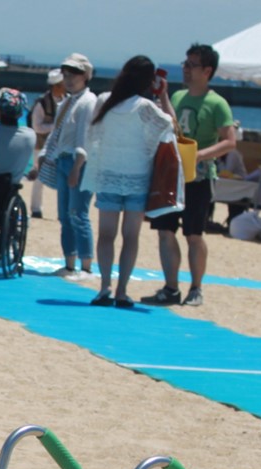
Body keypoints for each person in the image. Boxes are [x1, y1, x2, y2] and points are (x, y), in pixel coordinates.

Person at [142, 43, 235, 308]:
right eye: (185, 64)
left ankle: (196, 288)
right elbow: (173, 124)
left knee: (194, 234)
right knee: (164, 231)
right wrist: (163, 96)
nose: (185, 69)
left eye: (191, 65)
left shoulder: (217, 103)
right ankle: (171, 287)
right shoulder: (180, 97)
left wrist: (200, 155)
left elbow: (230, 142)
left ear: (207, 71)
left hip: (200, 177)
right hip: (172, 175)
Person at [84, 55, 176, 309]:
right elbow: (170, 125)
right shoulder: (145, 107)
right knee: (130, 237)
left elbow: (91, 137)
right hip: (138, 178)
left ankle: (104, 287)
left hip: (108, 176)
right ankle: (122, 291)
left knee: (106, 235)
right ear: (148, 81)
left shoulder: (105, 101)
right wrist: (164, 95)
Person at [41, 52, 97, 279]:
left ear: (85, 75)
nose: (69, 77)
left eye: (74, 73)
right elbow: (57, 133)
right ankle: (70, 263)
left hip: (77, 162)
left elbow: (85, 138)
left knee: (78, 213)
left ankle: (85, 266)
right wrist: (46, 154)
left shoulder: (88, 102)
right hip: (64, 159)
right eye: (66, 73)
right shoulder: (68, 101)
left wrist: (77, 166)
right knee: (65, 215)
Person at [27, 68, 64, 218]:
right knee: (39, 178)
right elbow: (37, 126)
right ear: (56, 86)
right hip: (40, 144)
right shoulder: (41, 103)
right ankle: (36, 209)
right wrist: (55, 127)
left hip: (59, 146)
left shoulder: (66, 100)